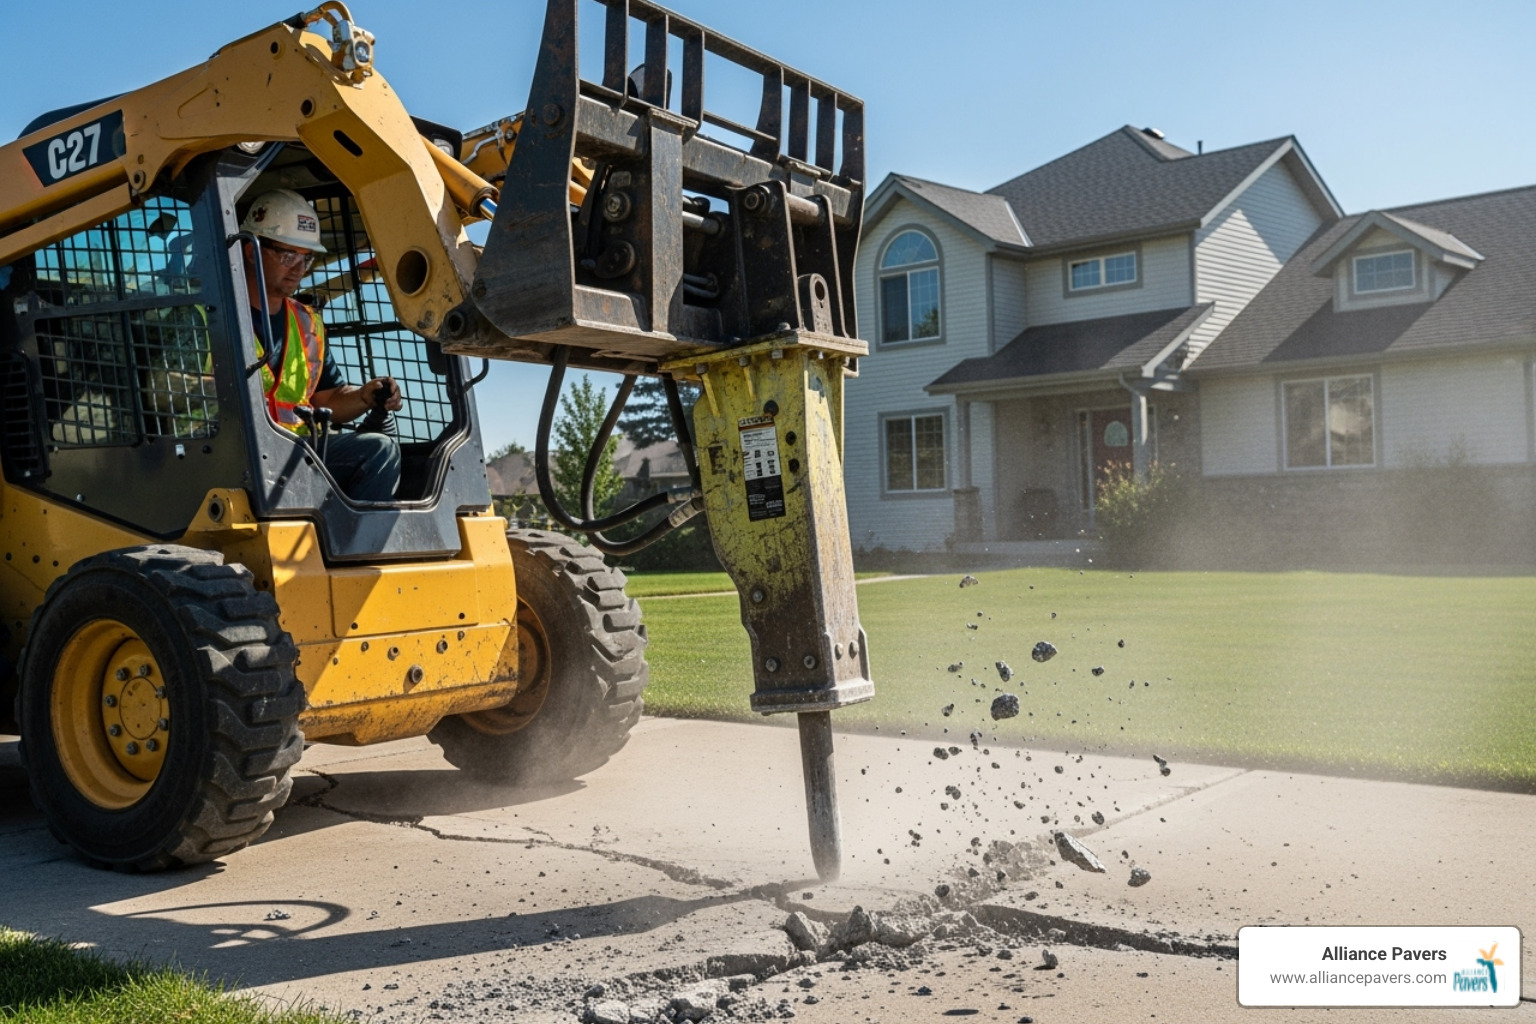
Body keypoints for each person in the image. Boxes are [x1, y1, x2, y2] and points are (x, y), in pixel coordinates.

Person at [240, 189, 402, 502]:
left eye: (307, 258)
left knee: (379, 452)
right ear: (251, 250)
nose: (299, 268)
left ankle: (346, 535)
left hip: (296, 451)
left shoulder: (307, 323)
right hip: (237, 453)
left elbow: (326, 397)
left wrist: (364, 395)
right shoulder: (210, 315)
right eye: (288, 256)